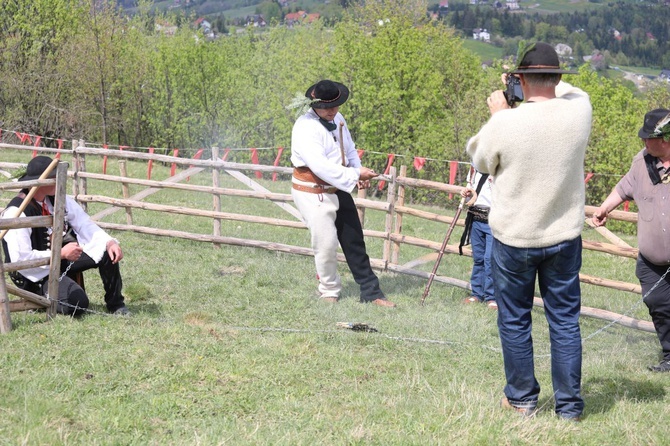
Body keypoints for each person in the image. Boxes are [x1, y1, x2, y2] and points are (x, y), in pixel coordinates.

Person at [466, 42, 592, 421]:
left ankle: (522, 399)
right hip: (564, 235)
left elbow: (479, 159)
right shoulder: (579, 111)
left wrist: (501, 110)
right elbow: (573, 91)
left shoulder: (506, 122)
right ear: (557, 78)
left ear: (519, 79)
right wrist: (533, 85)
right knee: (565, 321)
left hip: (515, 238)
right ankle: (569, 407)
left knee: (515, 318)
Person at [290, 79, 395, 307]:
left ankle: (371, 292)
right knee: (326, 243)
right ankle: (329, 290)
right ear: (314, 105)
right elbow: (320, 166)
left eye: (336, 106)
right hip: (312, 191)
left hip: (339, 186)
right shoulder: (305, 128)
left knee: (354, 240)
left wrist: (355, 170)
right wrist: (355, 175)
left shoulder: (337, 119)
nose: (332, 111)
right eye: (327, 107)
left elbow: (349, 148)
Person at [1, 155, 130, 316]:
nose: (59, 181)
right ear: (41, 182)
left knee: (106, 251)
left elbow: (84, 223)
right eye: (54, 177)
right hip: (35, 274)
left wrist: (110, 242)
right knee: (77, 304)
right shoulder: (16, 212)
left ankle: (116, 305)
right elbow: (21, 259)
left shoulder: (57, 199)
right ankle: (38, 297)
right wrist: (61, 253)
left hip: (60, 260)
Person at [592, 108, 670, 373]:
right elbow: (625, 186)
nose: (644, 142)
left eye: (649, 137)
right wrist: (604, 208)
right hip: (652, 261)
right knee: (658, 304)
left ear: (666, 138)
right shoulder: (641, 161)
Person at [459, 165, 497, 309]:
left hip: (493, 220)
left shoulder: (500, 169)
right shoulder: (474, 169)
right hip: (476, 217)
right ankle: (477, 294)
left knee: (490, 259)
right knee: (479, 258)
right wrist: (465, 192)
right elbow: (470, 190)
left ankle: (491, 296)